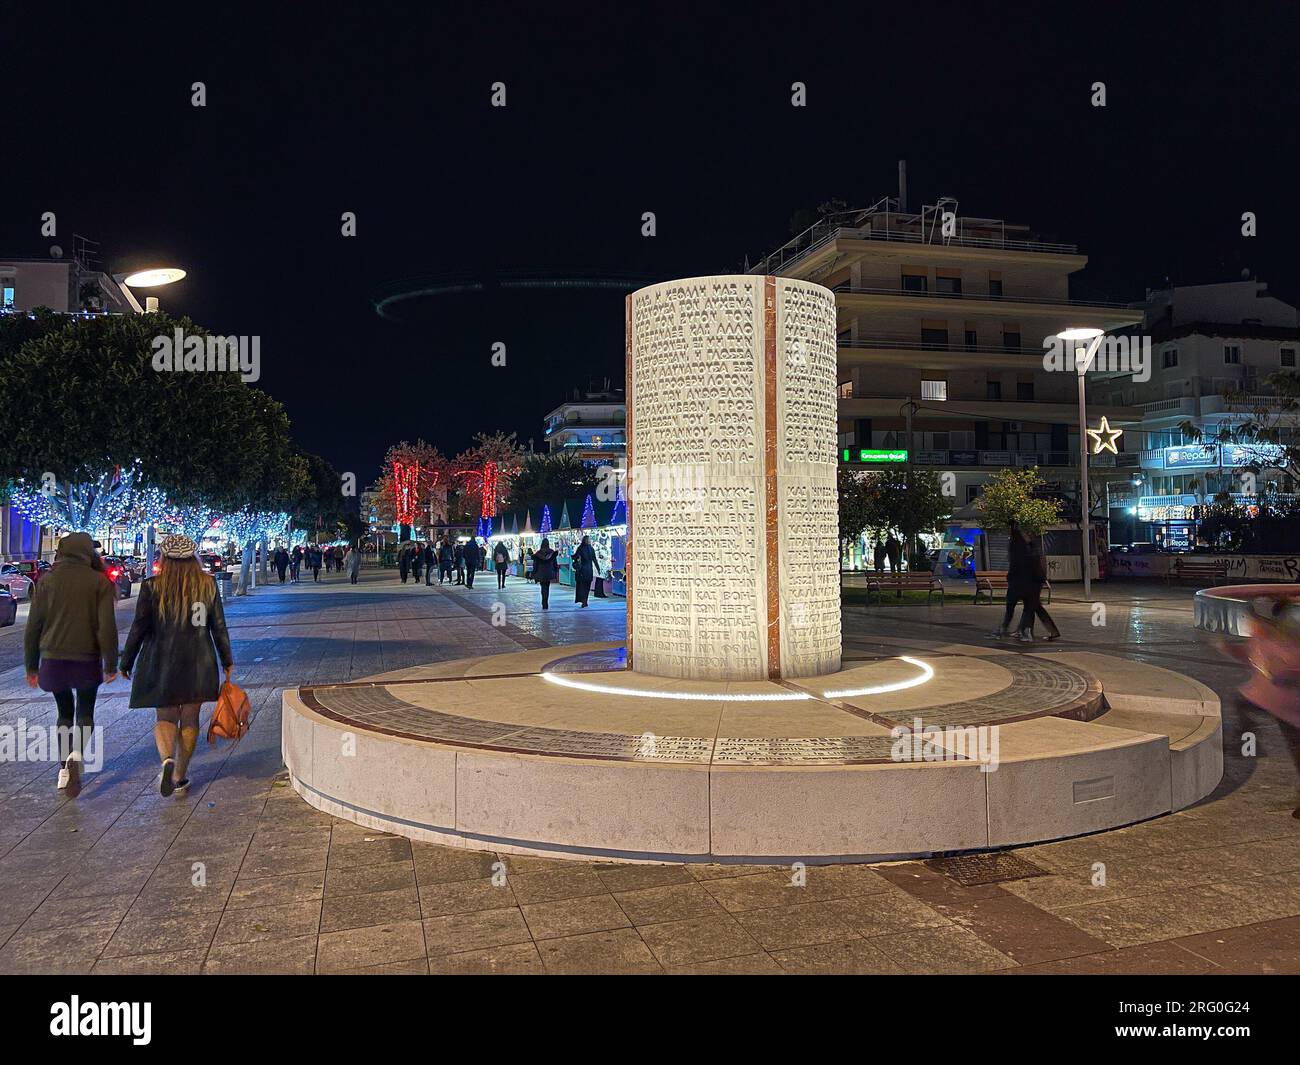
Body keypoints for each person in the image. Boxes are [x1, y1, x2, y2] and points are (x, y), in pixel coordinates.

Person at [120, 534, 234, 797]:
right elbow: (218, 626)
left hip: (162, 661)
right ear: (193, 558)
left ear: (164, 558)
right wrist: (226, 660)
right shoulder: (207, 585)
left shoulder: (152, 587)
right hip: (198, 661)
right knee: (190, 718)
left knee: (165, 716)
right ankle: (180, 775)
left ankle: (166, 760)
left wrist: (126, 661)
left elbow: (139, 627)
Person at [23, 532, 119, 793]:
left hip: (53, 657)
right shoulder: (99, 582)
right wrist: (111, 663)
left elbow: (33, 627)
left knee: (64, 711)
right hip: (86, 658)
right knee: (85, 712)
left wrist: (31, 666)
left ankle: (64, 767)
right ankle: (77, 754)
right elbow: (106, 628)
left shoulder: (47, 581)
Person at [572, 534, 599, 607]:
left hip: (581, 570)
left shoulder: (580, 548)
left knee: (582, 586)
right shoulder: (591, 549)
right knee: (587, 586)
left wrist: (572, 556)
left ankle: (583, 601)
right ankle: (585, 600)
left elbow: (575, 557)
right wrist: (598, 569)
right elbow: (594, 559)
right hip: (589, 570)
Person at [532, 537, 559, 610]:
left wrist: (534, 572)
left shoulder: (538, 553)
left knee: (543, 587)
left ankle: (544, 602)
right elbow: (554, 563)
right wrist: (555, 569)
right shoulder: (551, 552)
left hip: (541, 573)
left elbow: (535, 564)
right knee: (547, 587)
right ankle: (546, 602)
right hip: (549, 572)